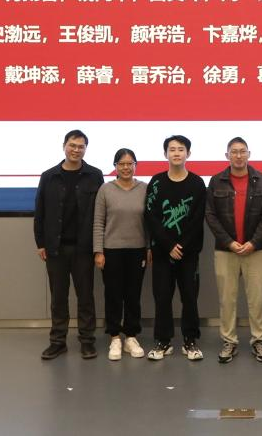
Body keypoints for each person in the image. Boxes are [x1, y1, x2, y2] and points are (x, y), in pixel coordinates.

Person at [34, 129, 104, 360]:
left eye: (81, 146)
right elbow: (40, 212)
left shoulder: (94, 175)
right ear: (64, 146)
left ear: (86, 149)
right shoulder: (49, 176)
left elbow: (101, 213)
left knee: (86, 297)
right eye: (72, 145)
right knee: (58, 298)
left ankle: (87, 341)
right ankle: (57, 342)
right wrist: (40, 243)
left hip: (84, 248)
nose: (76, 150)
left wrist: (98, 246)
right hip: (55, 248)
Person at [205, 136, 262, 364]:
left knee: (257, 299)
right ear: (227, 156)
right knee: (227, 299)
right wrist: (229, 242)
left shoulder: (261, 180)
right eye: (234, 151)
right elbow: (210, 216)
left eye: (243, 151)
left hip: (255, 250)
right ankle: (229, 341)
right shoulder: (216, 181)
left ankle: (258, 340)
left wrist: (253, 242)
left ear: (249, 154)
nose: (238, 155)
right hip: (226, 251)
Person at [143, 134, 207, 362]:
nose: (176, 153)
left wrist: (181, 245)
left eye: (181, 149)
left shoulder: (197, 183)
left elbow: (197, 219)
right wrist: (169, 245)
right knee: (162, 297)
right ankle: (163, 341)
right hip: (162, 252)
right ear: (165, 154)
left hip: (189, 253)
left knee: (189, 297)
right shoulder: (156, 182)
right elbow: (151, 216)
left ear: (188, 153)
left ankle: (190, 340)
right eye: (172, 149)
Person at [93, 147, 149, 361]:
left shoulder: (144, 188)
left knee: (133, 295)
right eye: (121, 164)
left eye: (130, 163)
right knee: (113, 295)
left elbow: (150, 222)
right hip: (111, 251)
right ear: (115, 166)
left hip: (137, 250)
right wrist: (98, 251)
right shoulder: (106, 189)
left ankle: (131, 336)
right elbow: (98, 222)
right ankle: (115, 337)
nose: (126, 167)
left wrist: (149, 248)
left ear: (136, 166)